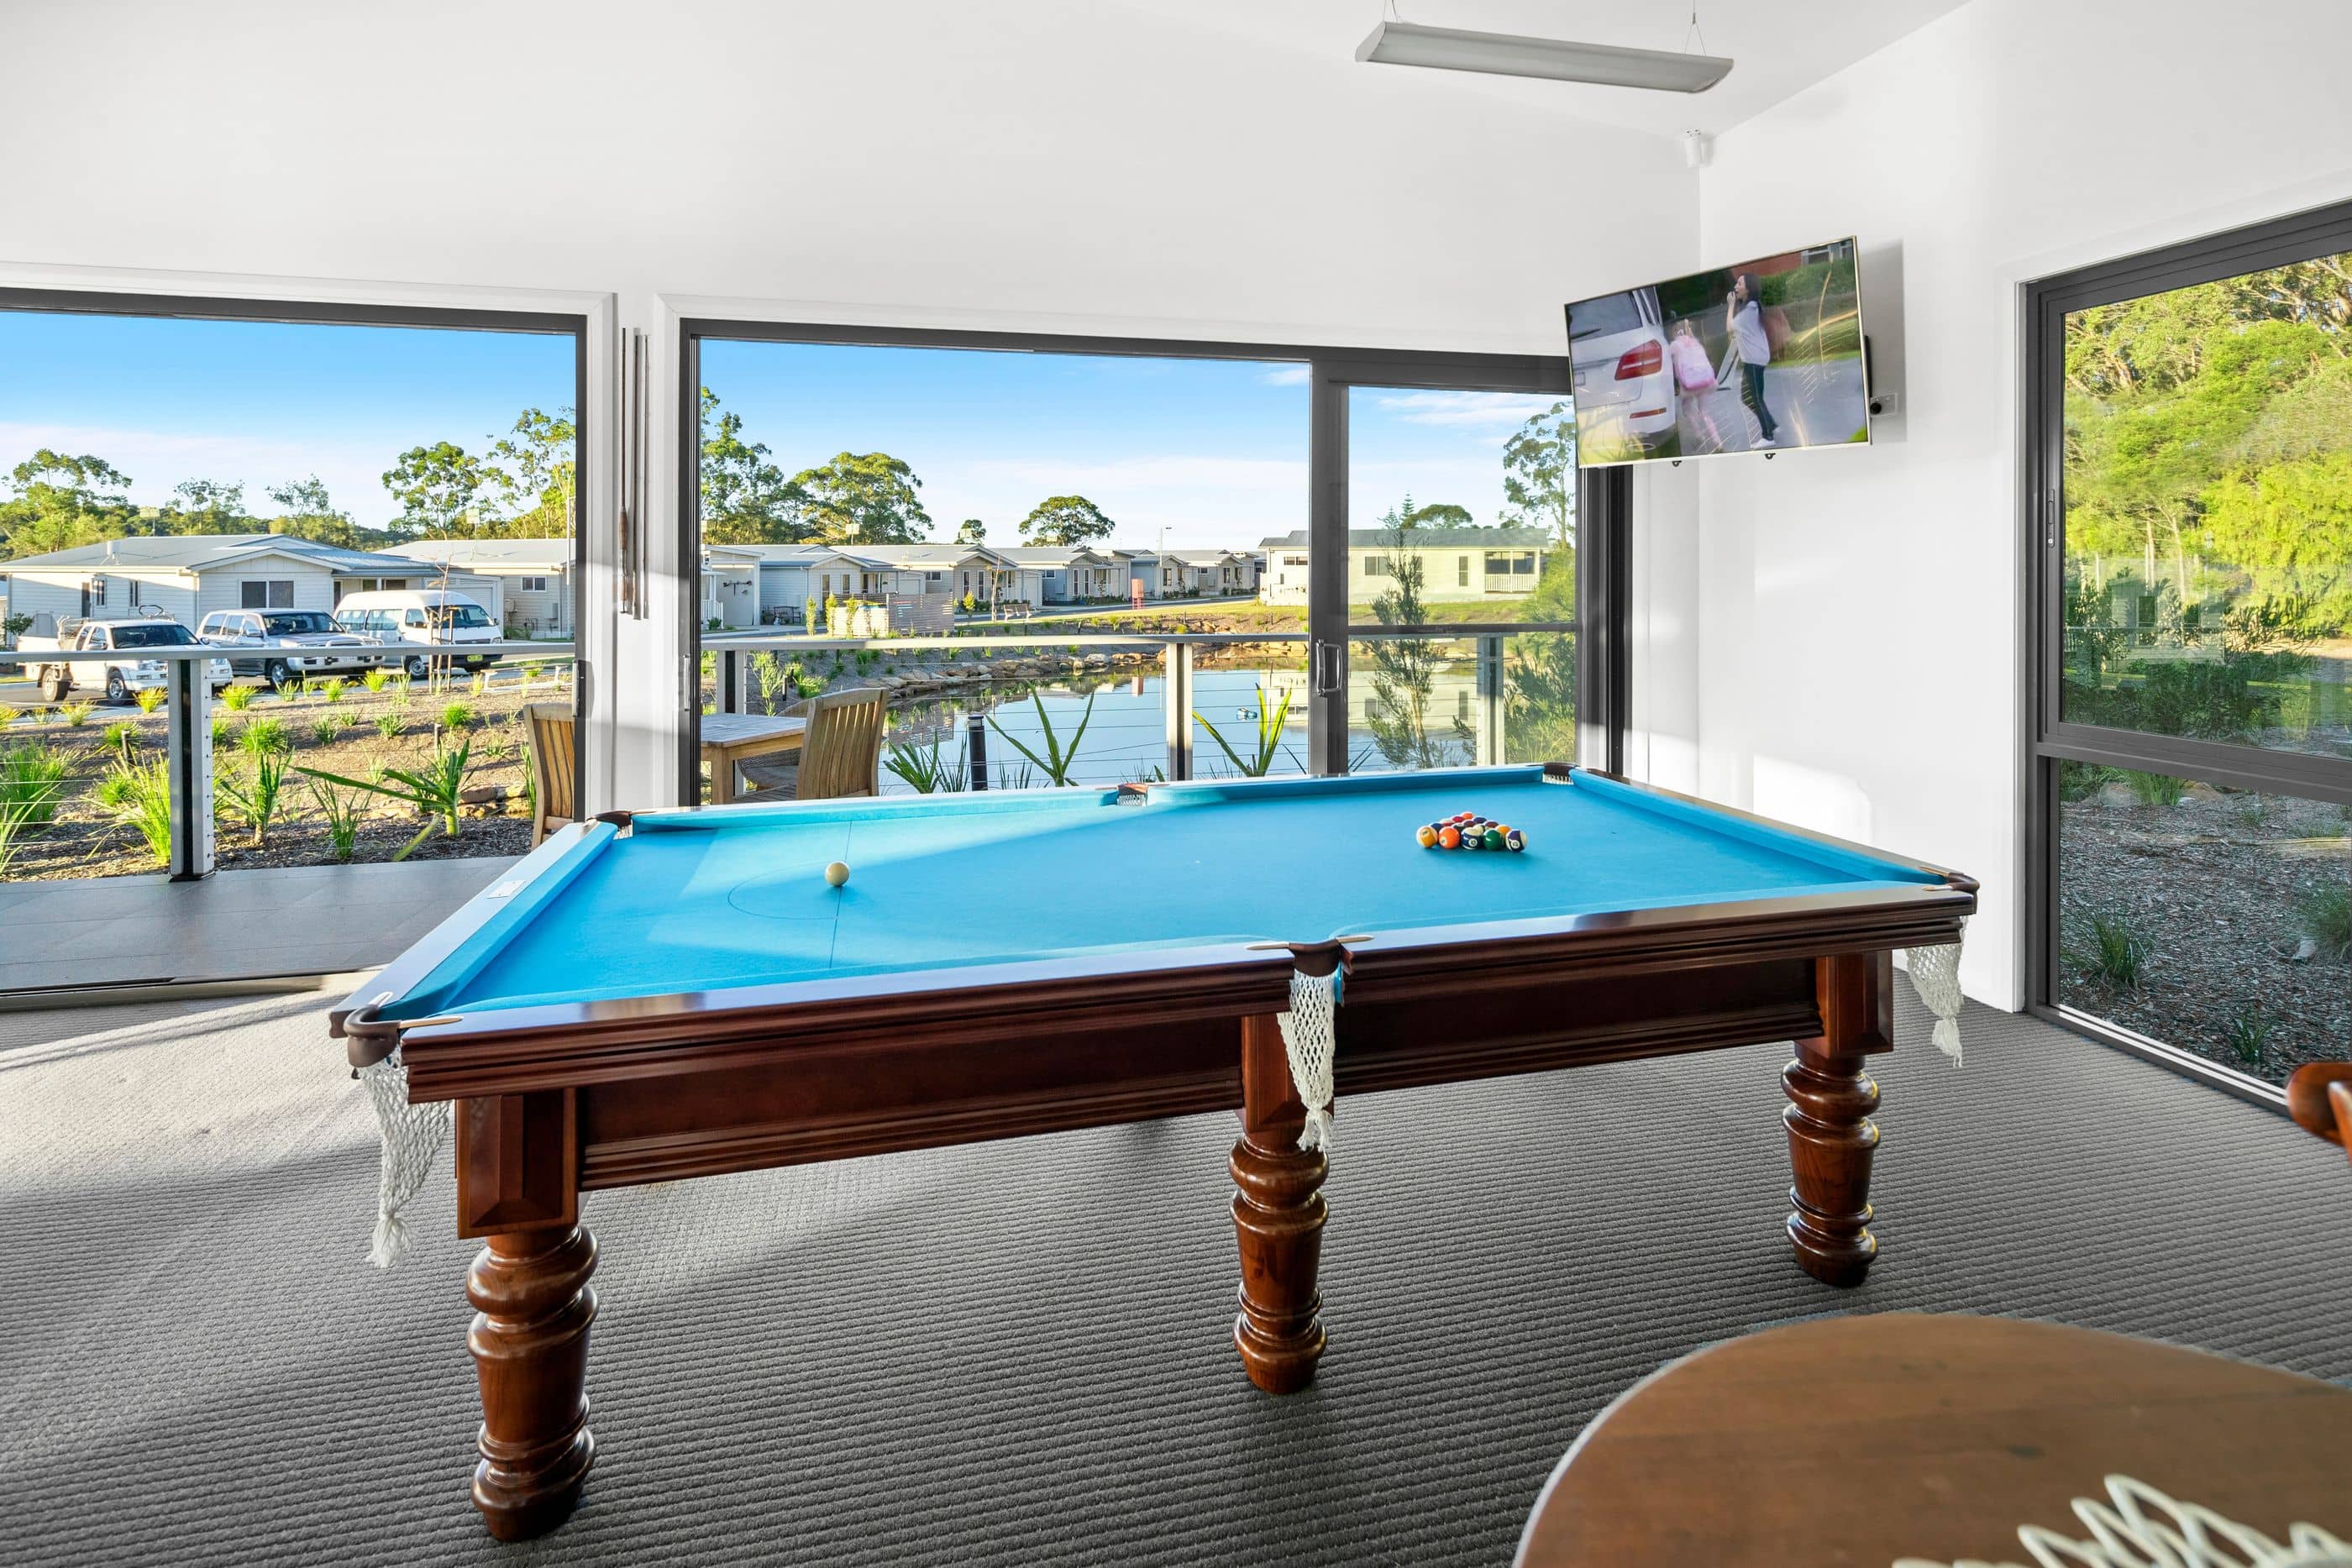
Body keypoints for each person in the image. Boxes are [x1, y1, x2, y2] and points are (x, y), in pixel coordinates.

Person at [1724, 272, 1782, 447]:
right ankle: (1771, 425)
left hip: (1754, 360)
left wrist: (1731, 305)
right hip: (1755, 359)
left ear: (1748, 289)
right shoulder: (1753, 307)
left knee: (1755, 398)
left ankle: (1768, 437)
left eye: (1739, 284)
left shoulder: (1749, 311)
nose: (1735, 287)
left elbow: (1729, 328)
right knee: (1749, 397)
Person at [1667, 318, 1725, 451]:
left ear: (1675, 331)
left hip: (1689, 385)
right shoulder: (1695, 342)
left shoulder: (1674, 345)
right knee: (1704, 412)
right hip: (1705, 382)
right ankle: (1718, 442)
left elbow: (1665, 359)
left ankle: (1699, 434)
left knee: (1687, 409)